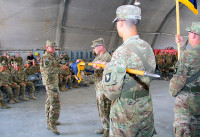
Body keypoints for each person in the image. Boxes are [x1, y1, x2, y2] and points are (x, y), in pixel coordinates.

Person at [93, 5, 156, 136]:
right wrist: (108, 64)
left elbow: (111, 93)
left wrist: (108, 70)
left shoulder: (121, 52)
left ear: (120, 22)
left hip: (126, 115)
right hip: (145, 109)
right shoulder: (147, 47)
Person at [169, 22, 200, 137]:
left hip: (186, 105)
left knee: (184, 131)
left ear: (193, 35)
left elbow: (177, 82)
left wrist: (172, 92)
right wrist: (182, 45)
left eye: (189, 33)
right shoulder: (187, 54)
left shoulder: (187, 55)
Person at [91, 38, 111, 136]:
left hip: (104, 87)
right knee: (100, 108)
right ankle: (104, 126)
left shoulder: (106, 57)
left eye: (95, 47)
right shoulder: (99, 56)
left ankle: (108, 129)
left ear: (101, 46)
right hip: (98, 86)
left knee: (105, 108)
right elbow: (93, 64)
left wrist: (100, 66)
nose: (93, 49)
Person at [40, 40, 61, 135]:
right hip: (50, 83)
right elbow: (49, 70)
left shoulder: (51, 56)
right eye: (51, 47)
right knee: (54, 102)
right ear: (47, 47)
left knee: (49, 101)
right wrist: (61, 68)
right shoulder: (46, 58)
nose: (53, 48)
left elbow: (55, 66)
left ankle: (51, 121)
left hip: (53, 82)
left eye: (54, 47)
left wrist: (61, 66)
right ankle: (51, 124)